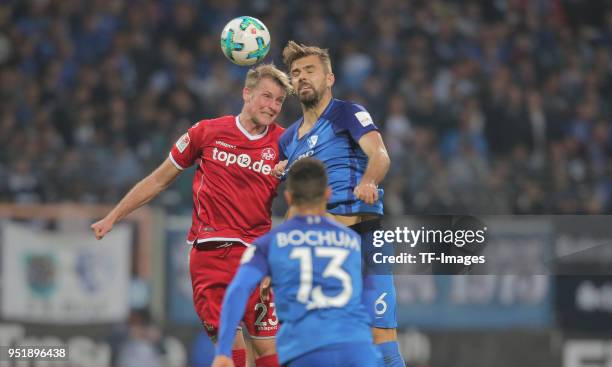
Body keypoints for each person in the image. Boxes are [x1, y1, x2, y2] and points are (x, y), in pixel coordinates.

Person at [91, 63, 293, 367]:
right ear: (246, 93)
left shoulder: (285, 143)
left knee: (269, 349)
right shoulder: (207, 132)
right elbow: (159, 179)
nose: (272, 106)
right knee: (231, 352)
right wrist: (114, 216)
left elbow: (306, 195)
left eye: (279, 101)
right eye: (267, 96)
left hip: (257, 258)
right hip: (210, 257)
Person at [274, 41, 405, 367]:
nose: (302, 77)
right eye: (296, 73)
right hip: (319, 247)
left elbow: (380, 154)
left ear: (329, 78)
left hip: (366, 237)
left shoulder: (347, 112)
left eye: (310, 70)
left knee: (382, 338)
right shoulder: (287, 141)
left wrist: (368, 181)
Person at [212, 158, 382, 367]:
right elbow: (370, 295)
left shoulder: (269, 243)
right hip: (356, 350)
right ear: (328, 194)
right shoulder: (352, 241)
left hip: (305, 349)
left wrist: (223, 351)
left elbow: (237, 290)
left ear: (289, 197)